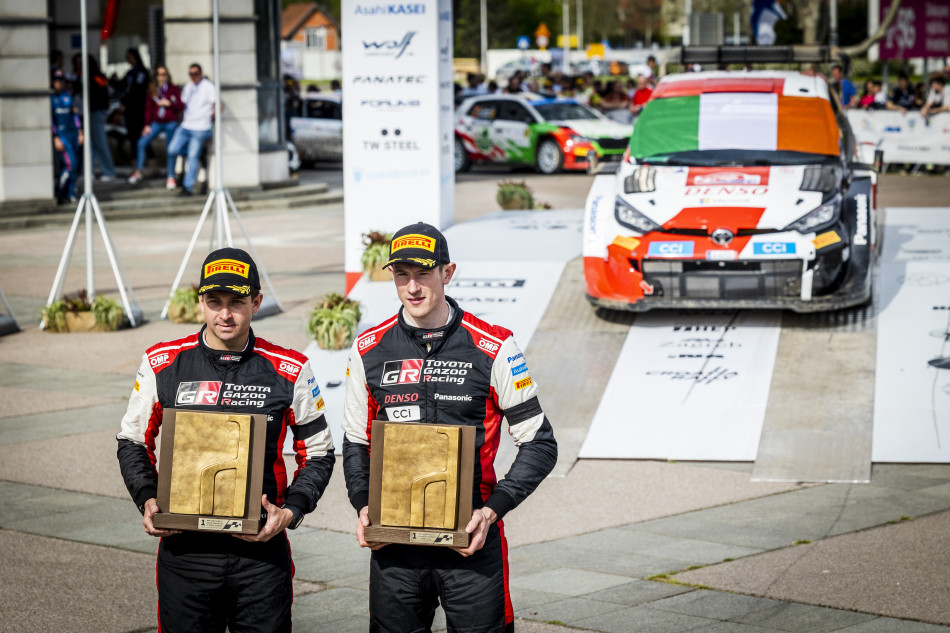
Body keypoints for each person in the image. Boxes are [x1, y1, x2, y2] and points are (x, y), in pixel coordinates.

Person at [342, 222, 558, 633]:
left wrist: (493, 511)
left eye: (423, 273)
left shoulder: (494, 346)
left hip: (471, 541)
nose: (412, 287)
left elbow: (541, 444)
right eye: (401, 275)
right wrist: (361, 503)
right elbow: (355, 440)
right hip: (395, 545)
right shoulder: (368, 348)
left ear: (447, 272)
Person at [116, 246, 335, 632]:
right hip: (186, 551)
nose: (225, 314)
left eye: (237, 302)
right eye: (214, 301)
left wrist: (292, 510)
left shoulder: (291, 369)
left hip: (260, 553)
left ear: (257, 302)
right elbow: (132, 440)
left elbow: (318, 453)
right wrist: (147, 499)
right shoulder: (162, 362)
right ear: (200, 301)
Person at [129, 66, 184, 186]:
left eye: (164, 74)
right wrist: (147, 125)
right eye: (159, 74)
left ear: (168, 75)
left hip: (170, 121)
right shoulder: (152, 89)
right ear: (156, 76)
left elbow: (180, 106)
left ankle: (171, 176)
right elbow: (148, 109)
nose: (162, 77)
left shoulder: (173, 89)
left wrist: (170, 104)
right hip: (156, 122)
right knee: (141, 143)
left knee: (170, 149)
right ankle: (139, 170)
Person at [167, 63, 215, 196]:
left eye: (196, 73)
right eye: (191, 74)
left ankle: (188, 187)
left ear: (201, 73)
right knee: (172, 149)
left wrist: (213, 119)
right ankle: (175, 175)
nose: (193, 76)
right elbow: (183, 104)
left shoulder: (208, 86)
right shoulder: (189, 87)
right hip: (186, 125)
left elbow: (216, 104)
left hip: (201, 127)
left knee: (192, 156)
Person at [76, 55, 117, 182]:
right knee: (90, 144)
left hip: (95, 112)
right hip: (88, 112)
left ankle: (109, 171)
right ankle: (89, 172)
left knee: (99, 142)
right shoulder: (83, 76)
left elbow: (106, 90)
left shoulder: (95, 76)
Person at [50, 68, 83, 204]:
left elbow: (74, 115)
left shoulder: (68, 96)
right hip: (62, 135)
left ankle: (71, 193)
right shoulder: (51, 98)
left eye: (61, 81)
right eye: (56, 81)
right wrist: (55, 136)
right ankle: (60, 190)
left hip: (73, 133)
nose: (59, 83)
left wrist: (80, 131)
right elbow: (51, 120)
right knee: (71, 164)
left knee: (75, 165)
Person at [119, 48, 150, 165]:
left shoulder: (142, 72)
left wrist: (127, 97)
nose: (128, 60)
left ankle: (147, 160)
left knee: (141, 135)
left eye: (129, 57)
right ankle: (135, 161)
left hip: (139, 109)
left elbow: (137, 90)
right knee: (132, 136)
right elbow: (122, 86)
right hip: (129, 109)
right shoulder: (130, 72)